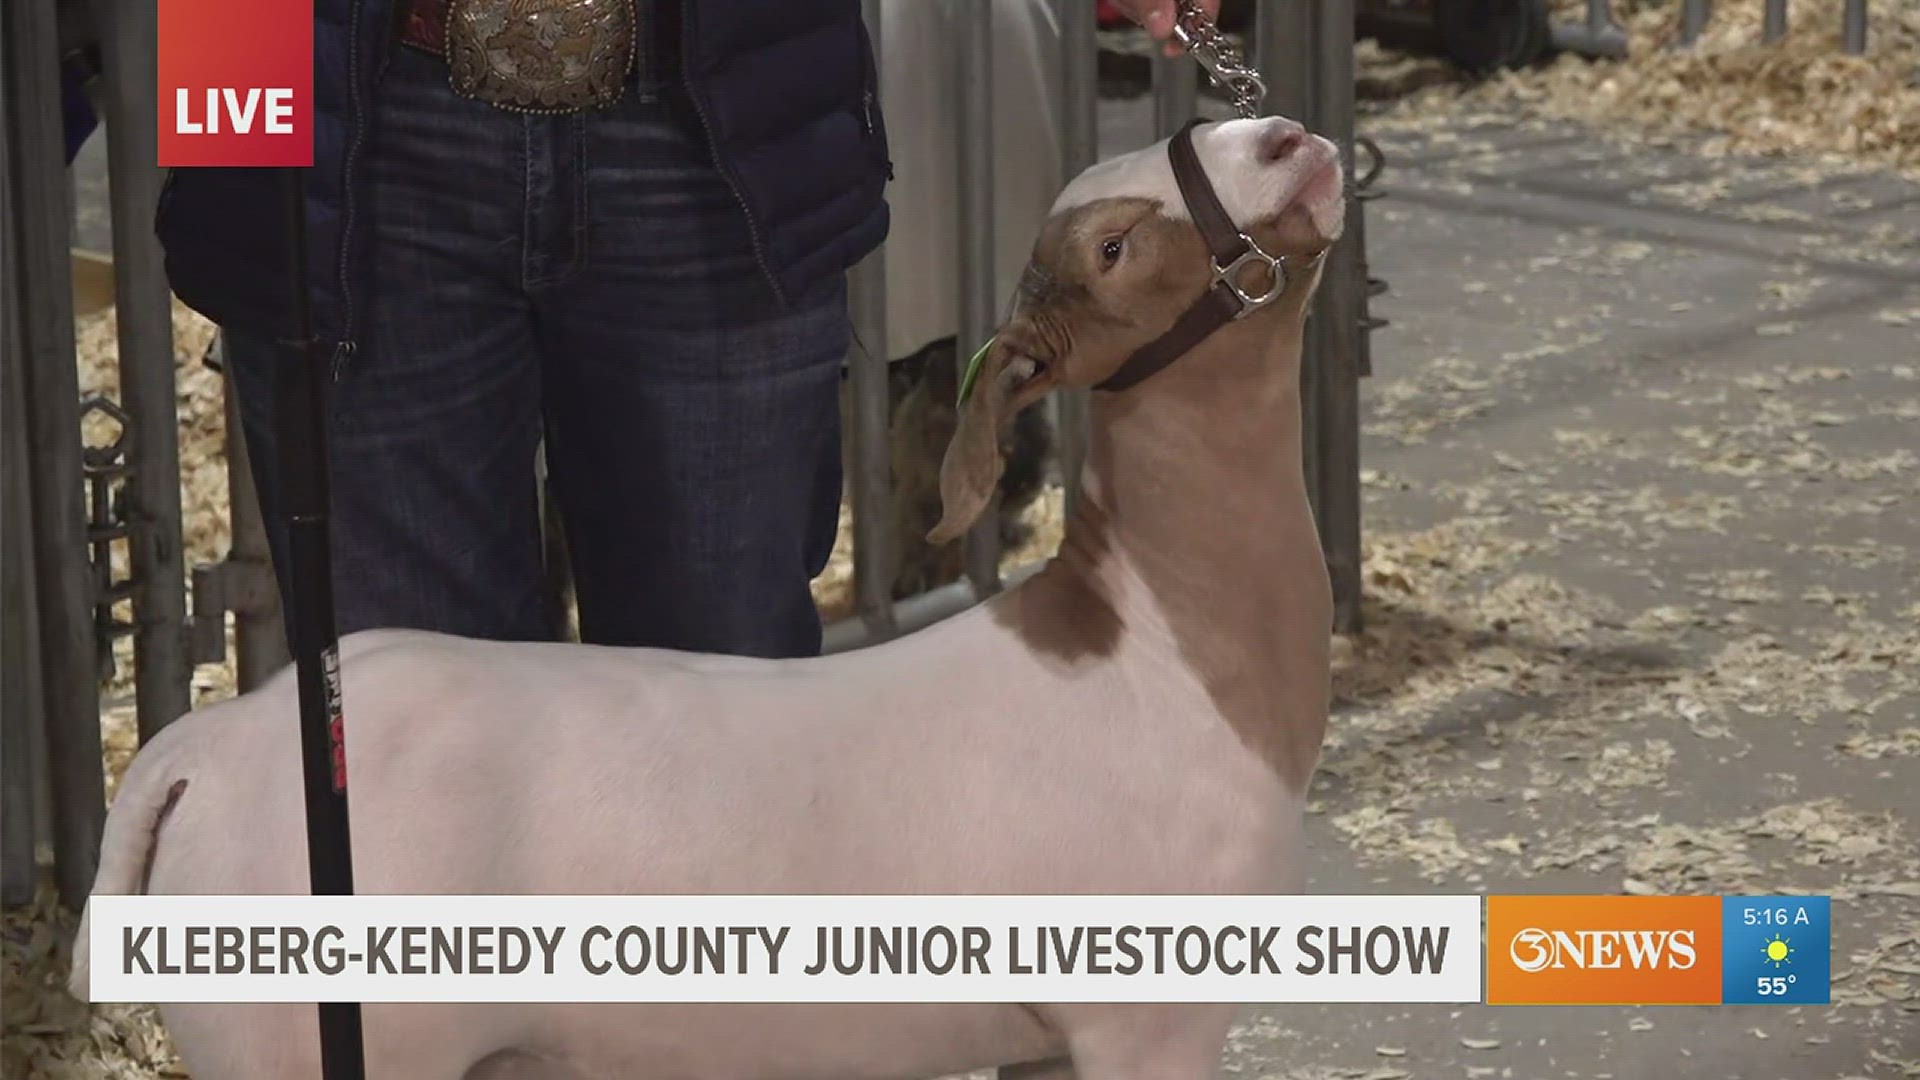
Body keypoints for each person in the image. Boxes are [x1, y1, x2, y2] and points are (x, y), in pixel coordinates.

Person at [153, 0, 1211, 661]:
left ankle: (706, 1013)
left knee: (721, 674)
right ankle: (464, 1015)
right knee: (399, 695)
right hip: (350, 90)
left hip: (715, 106)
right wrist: (234, 143)